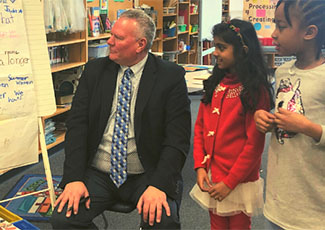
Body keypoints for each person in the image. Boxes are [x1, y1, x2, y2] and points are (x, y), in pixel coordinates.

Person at [50, 9, 191, 229]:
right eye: (111, 35)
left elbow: (177, 140)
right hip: (99, 171)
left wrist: (159, 185)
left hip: (146, 172)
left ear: (140, 44)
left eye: (118, 37)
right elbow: (77, 127)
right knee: (63, 218)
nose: (109, 41)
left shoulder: (170, 77)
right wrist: (74, 179)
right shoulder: (95, 71)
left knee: (163, 221)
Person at [190, 19, 274, 230]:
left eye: (221, 47)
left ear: (243, 50)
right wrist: (200, 166)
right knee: (216, 226)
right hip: (213, 176)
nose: (215, 52)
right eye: (215, 46)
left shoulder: (254, 91)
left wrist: (230, 182)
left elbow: (254, 145)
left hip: (238, 180)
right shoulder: (215, 84)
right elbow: (200, 128)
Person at [254, 0, 325, 229]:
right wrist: (265, 119)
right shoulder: (283, 71)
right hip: (278, 204)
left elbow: (302, 123)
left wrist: (307, 127)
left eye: (282, 27)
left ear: (309, 32)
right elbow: (284, 115)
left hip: (314, 212)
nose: (274, 34)